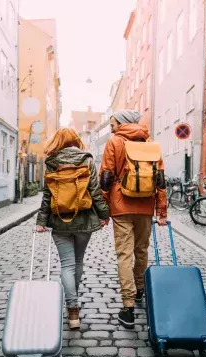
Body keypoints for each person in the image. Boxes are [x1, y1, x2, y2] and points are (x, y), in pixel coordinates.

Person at [99, 110, 167, 329]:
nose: (111, 126)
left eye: (114, 122)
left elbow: (106, 177)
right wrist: (162, 212)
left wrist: (103, 211)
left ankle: (128, 306)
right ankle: (139, 291)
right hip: (146, 205)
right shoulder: (151, 143)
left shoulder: (115, 142)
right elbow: (161, 181)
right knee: (141, 251)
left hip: (121, 206)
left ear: (122, 123)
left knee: (124, 255)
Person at [36, 128, 110, 330]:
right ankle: (73, 300)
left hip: (60, 221)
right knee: (78, 261)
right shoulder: (87, 160)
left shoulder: (52, 162)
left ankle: (72, 308)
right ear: (76, 141)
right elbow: (95, 192)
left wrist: (41, 221)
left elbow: (47, 196)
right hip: (84, 220)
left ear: (58, 141)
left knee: (67, 265)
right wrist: (104, 215)